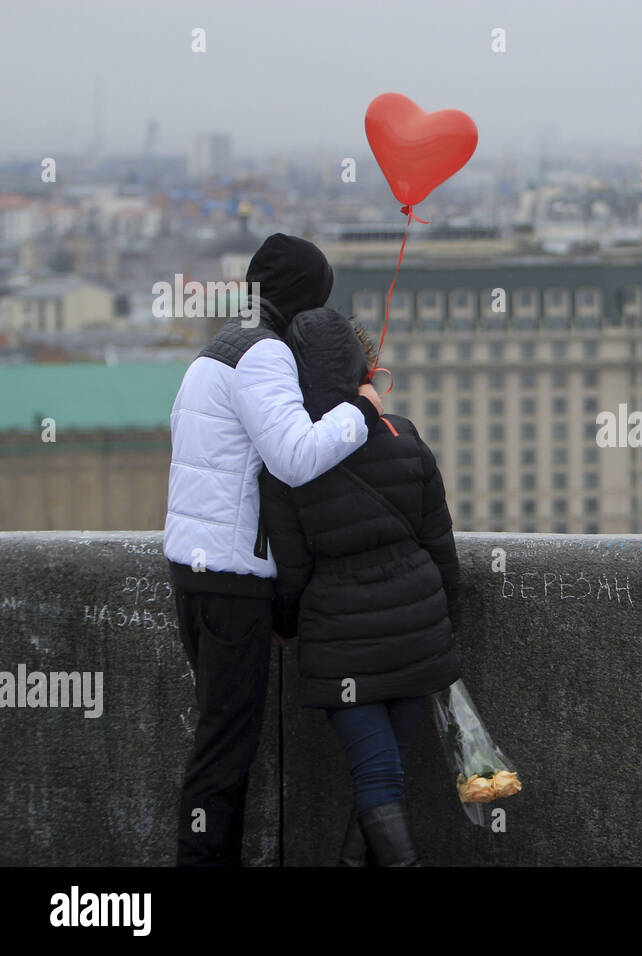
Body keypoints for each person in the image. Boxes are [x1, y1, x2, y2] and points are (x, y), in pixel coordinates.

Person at [164, 234, 384, 866]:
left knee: (219, 738)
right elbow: (295, 457)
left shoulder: (217, 348)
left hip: (193, 570)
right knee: (224, 751)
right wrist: (362, 410)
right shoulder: (263, 352)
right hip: (232, 580)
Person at [259, 308, 463, 867]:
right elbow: (440, 547)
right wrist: (444, 626)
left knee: (378, 776)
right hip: (418, 633)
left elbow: (293, 573)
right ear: (361, 368)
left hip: (343, 644)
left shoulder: (285, 467)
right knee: (384, 777)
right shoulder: (405, 438)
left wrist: (283, 626)